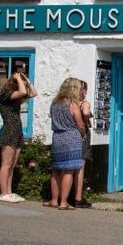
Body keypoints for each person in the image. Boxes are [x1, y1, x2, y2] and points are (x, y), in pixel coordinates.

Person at [45, 78, 88, 210]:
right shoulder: (72, 104)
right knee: (69, 170)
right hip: (71, 137)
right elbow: (80, 124)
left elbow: (52, 118)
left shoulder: (55, 103)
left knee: (56, 170)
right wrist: (82, 132)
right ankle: (63, 202)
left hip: (57, 137)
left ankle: (54, 200)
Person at [0, 67, 37, 202]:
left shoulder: (15, 97)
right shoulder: (5, 94)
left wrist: (27, 81)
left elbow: (33, 93)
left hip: (17, 130)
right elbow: (23, 91)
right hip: (9, 129)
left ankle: (9, 191)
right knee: (6, 163)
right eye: (21, 82)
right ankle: (4, 193)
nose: (23, 84)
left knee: (13, 164)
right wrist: (18, 77)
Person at [72, 80, 94, 208]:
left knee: (70, 166)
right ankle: (78, 197)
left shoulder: (70, 103)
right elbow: (86, 112)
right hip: (82, 135)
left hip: (71, 135)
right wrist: (86, 121)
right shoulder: (84, 104)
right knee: (80, 167)